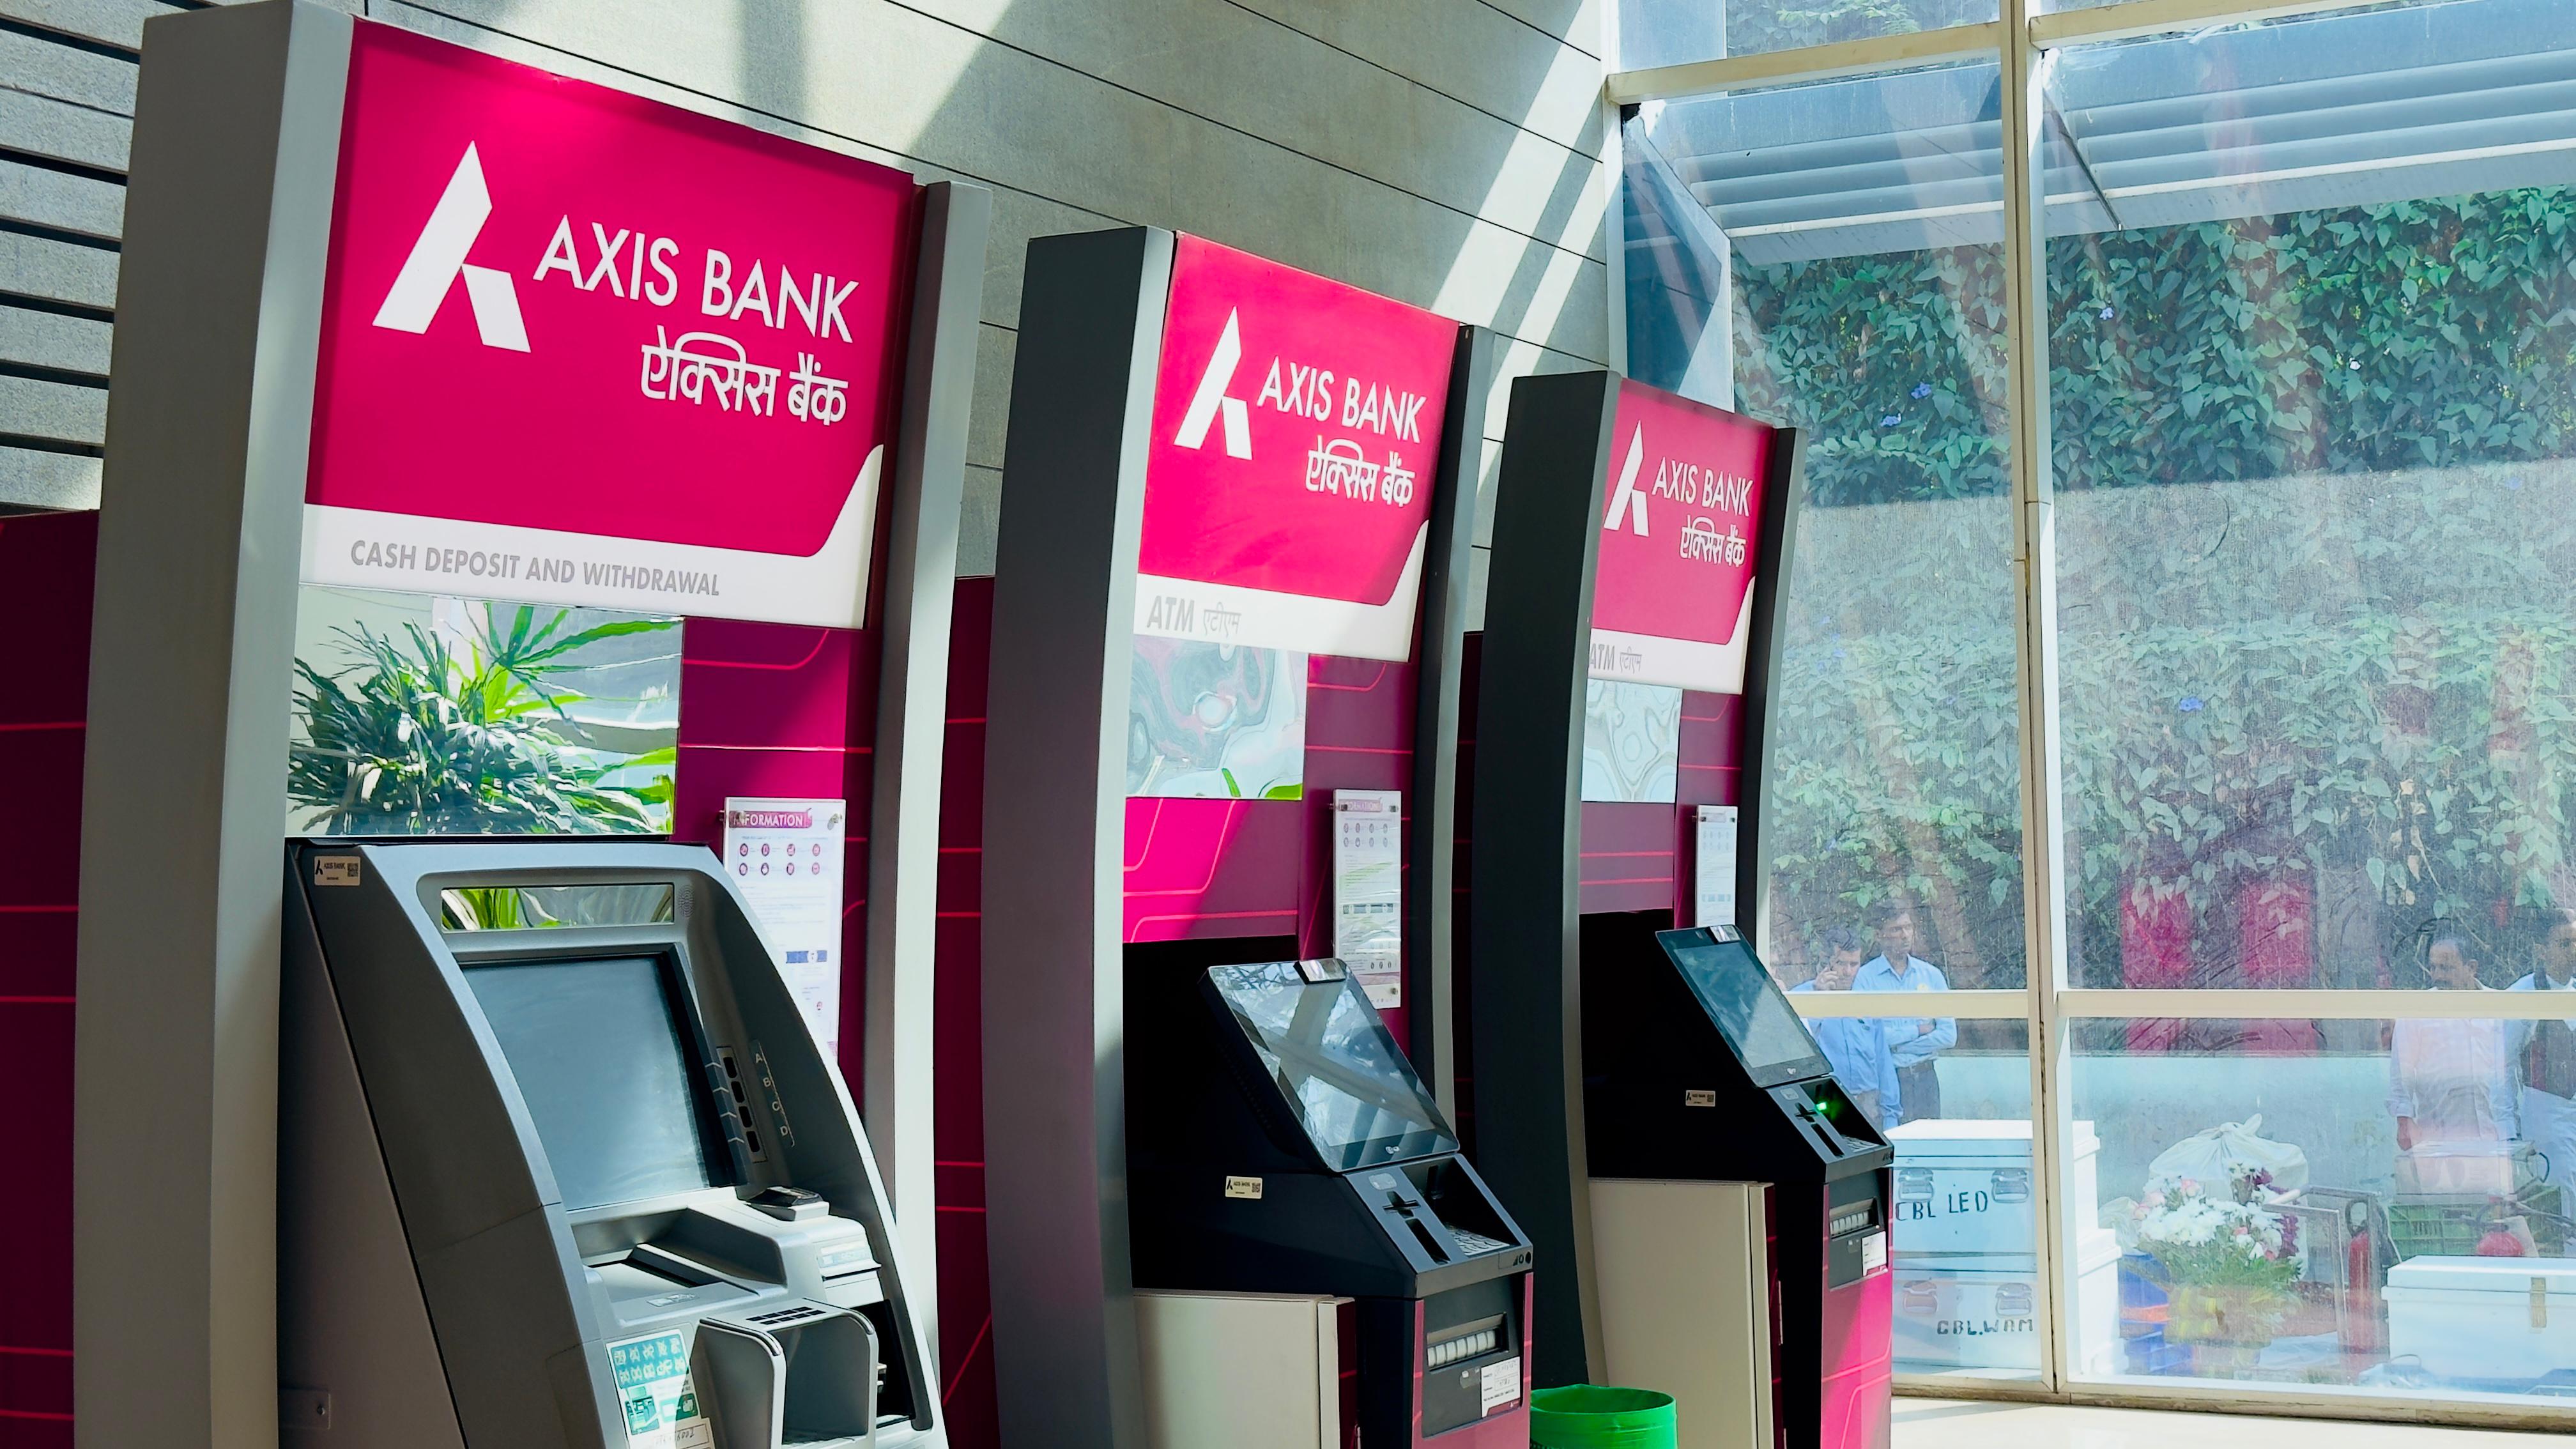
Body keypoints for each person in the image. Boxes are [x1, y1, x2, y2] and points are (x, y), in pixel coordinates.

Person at [2388, 933, 2518, 1150]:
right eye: (2433, 967)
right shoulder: (2416, 1011)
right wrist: (2404, 1123)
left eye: (2446, 968)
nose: (2438, 976)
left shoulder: (2499, 1006)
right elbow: (2401, 1074)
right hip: (2437, 1135)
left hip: (2495, 1135)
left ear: (2471, 968)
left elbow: (2511, 1068)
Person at [1855, 900, 1954, 1123]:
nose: (1905, 935)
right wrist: (1917, 1031)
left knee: (1929, 1140)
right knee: (1891, 1139)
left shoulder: (1931, 975)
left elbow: (1948, 1035)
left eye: (1908, 927)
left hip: (1926, 1077)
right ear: (1879, 935)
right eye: (1896, 929)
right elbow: (1868, 1039)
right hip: (1888, 1079)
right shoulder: (1865, 978)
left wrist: (1896, 1046)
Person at [1791, 929, 1901, 1128]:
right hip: (1824, 1101)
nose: (1848, 972)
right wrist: (1818, 1000)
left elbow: (1882, 1059)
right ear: (1826, 962)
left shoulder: (1866, 1000)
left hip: (1868, 1103)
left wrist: (1891, 1114)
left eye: (1854, 964)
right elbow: (1796, 1047)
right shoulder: (1802, 997)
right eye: (1841, 963)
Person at [2509, 908, 2576, 1204]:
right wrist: (2507, 1131)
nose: (2573, 951)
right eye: (2564, 944)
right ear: (2542, 950)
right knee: (2560, 1194)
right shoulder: (2522, 995)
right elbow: (2503, 1068)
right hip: (2546, 1113)